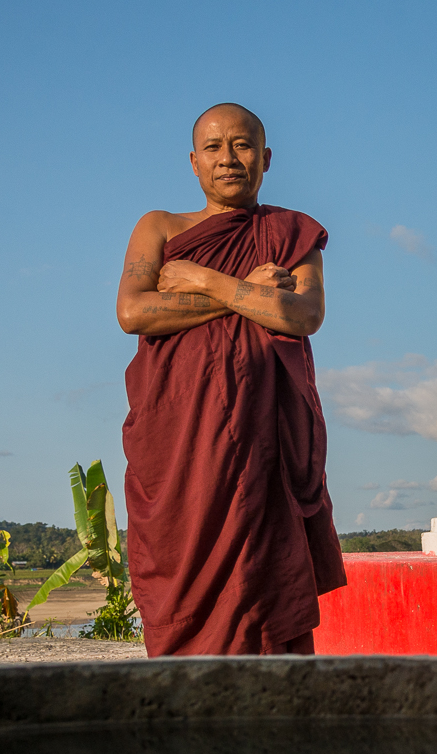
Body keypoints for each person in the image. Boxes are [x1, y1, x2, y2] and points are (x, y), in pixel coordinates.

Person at [116, 103, 346, 656]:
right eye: (214, 148)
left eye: (242, 146)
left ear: (265, 158)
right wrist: (249, 292)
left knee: (265, 594)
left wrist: (204, 281)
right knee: (181, 571)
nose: (228, 159)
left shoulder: (293, 232)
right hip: (178, 447)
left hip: (263, 449)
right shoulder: (159, 227)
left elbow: (304, 315)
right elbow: (133, 312)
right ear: (193, 163)